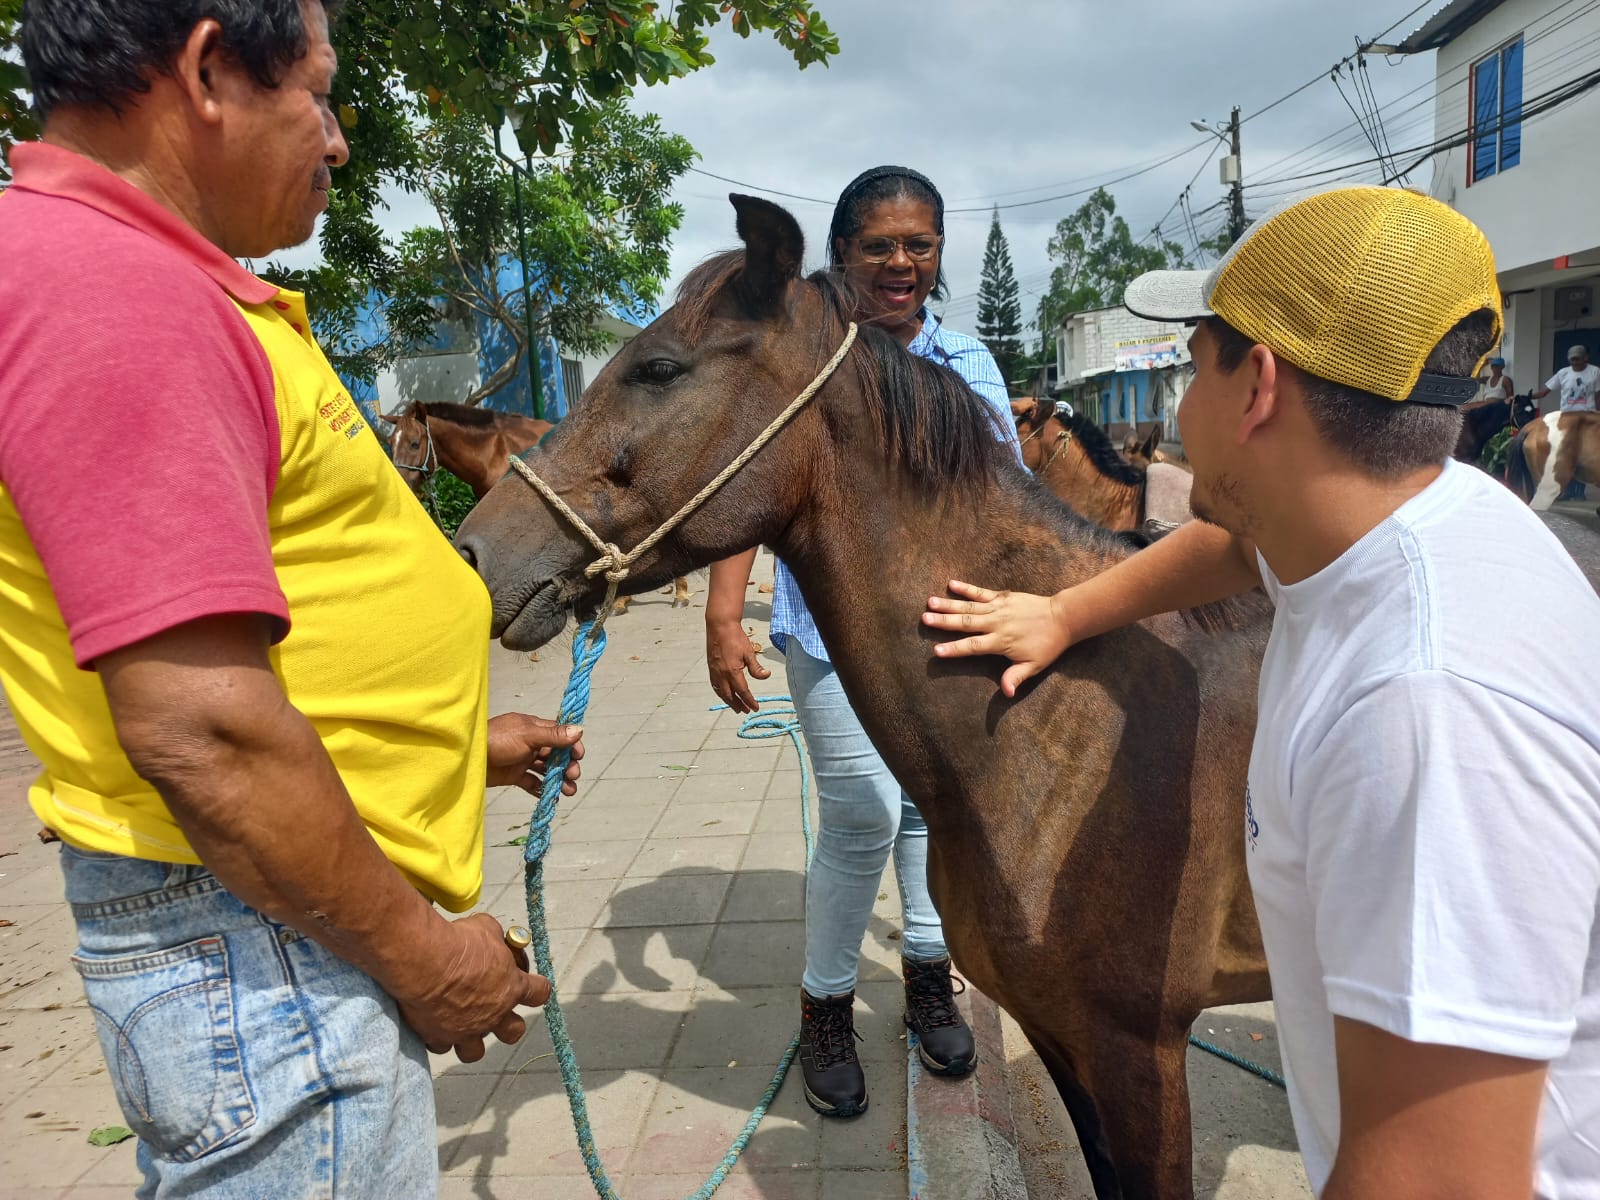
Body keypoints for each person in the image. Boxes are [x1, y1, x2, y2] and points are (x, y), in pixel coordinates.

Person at [0, 3, 583, 1194]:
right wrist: (426, 958)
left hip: (270, 923)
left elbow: (250, 638)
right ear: (209, 68)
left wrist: (449, 745)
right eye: (317, 93)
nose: (337, 138)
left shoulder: (142, 277)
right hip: (263, 943)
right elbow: (204, 729)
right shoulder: (112, 290)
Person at [921, 187, 1600, 1197]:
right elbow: (1240, 546)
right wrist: (1065, 613)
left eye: (1196, 367)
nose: (1178, 406)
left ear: (1258, 389)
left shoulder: (1425, 711)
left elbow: (1434, 1183)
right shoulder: (1417, 508)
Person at [704, 165, 1021, 1119]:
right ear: (842, 252)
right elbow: (747, 482)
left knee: (929, 809)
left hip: (943, 629)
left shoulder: (967, 362)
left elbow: (1009, 500)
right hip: (829, 631)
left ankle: (928, 979)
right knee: (861, 815)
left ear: (939, 253)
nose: (900, 262)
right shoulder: (807, 361)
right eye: (879, 244)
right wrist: (724, 612)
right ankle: (826, 1009)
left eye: (919, 244)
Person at [1532, 344, 1597, 499]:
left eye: (1577, 359)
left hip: (1587, 416)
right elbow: (1544, 392)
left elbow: (1598, 394)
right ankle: (1567, 489)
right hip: (1567, 416)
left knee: (1586, 452)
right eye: (1572, 360)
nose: (1574, 362)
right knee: (1565, 452)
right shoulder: (1563, 373)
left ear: (1585, 358)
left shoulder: (1595, 372)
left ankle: (1579, 491)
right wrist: (1527, 396)